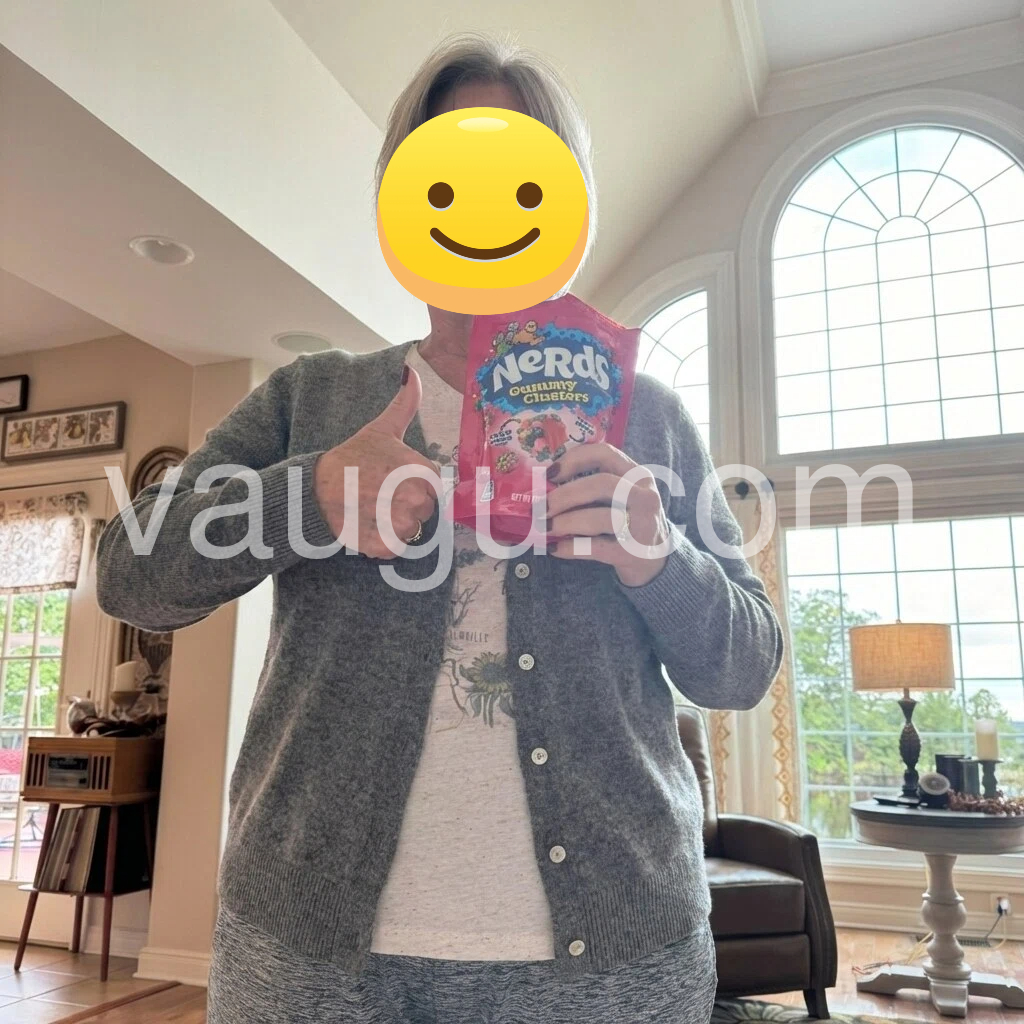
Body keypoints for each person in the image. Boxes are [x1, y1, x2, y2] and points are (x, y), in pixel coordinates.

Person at [96, 32, 783, 1024]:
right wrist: (307, 496)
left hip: (612, 961)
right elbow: (131, 571)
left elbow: (745, 667)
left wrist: (659, 558)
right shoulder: (314, 398)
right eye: (452, 172)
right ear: (401, 198)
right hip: (310, 957)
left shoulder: (648, 418)